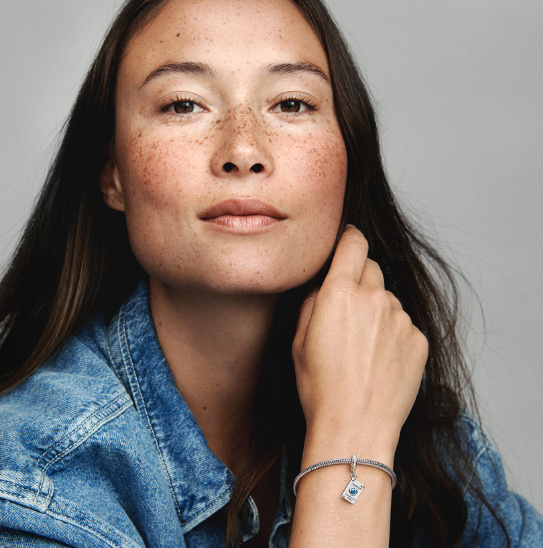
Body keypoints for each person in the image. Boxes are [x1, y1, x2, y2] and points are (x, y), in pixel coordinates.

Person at [0, 0, 541, 546]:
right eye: (184, 105)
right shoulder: (32, 481)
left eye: (291, 104)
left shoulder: (397, 408)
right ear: (112, 173)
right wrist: (350, 446)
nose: (243, 150)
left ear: (349, 155)